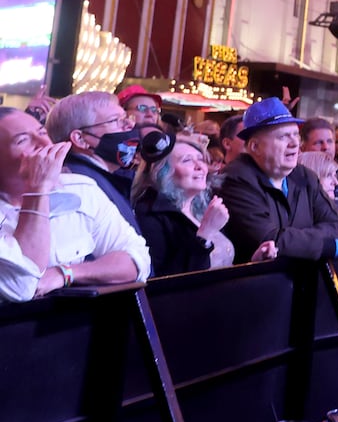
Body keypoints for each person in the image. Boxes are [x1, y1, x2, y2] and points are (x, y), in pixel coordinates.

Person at [0, 106, 151, 301]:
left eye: (42, 133)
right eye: (23, 140)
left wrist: (65, 273)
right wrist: (38, 189)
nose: (44, 143)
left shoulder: (81, 188)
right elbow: (22, 287)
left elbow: (138, 259)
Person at [218, 98, 338, 273]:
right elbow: (268, 237)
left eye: (295, 135)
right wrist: (336, 247)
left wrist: (293, 242)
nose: (294, 143)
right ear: (255, 146)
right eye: (283, 136)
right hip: (254, 288)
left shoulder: (304, 175)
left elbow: (337, 227)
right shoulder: (235, 179)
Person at [133, 130, 236, 276]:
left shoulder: (202, 207)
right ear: (162, 172)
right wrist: (204, 235)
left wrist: (255, 261)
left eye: (201, 159)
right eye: (187, 160)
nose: (199, 166)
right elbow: (165, 281)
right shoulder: (149, 215)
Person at [45, 90, 142, 229]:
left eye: (126, 117)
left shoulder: (101, 179)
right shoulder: (76, 188)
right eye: (116, 120)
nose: (130, 125)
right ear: (80, 139)